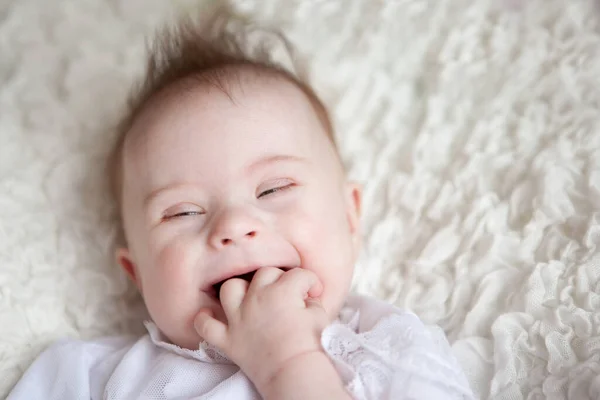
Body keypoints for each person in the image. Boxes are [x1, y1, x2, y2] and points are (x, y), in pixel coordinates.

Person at [7, 4, 475, 400]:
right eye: (182, 212)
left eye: (273, 189)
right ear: (137, 274)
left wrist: (289, 362)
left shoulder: (390, 351)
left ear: (350, 216)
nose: (233, 225)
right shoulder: (85, 377)